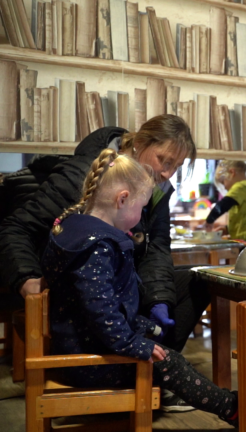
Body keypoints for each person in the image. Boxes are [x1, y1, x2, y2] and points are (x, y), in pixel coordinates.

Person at [0, 115, 206, 411]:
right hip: (86, 292)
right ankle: (134, 376)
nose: (167, 172)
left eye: (176, 166)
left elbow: (156, 249)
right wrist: (26, 279)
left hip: (122, 282)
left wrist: (160, 299)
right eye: (164, 160)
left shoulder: (158, 190)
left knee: (196, 281)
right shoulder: (86, 173)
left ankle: (154, 375)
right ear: (139, 143)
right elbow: (16, 227)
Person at [41, 149, 240, 427]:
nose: (140, 216)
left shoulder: (71, 225)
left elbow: (101, 306)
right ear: (122, 199)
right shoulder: (99, 246)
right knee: (170, 362)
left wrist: (145, 329)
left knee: (159, 342)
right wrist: (134, 343)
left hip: (77, 343)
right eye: (140, 207)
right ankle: (232, 408)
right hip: (86, 361)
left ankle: (224, 402)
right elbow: (102, 312)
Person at [204, 160, 246, 242]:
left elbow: (224, 204)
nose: (225, 187)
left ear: (232, 173)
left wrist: (209, 220)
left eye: (223, 182)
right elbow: (244, 218)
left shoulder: (241, 186)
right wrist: (227, 229)